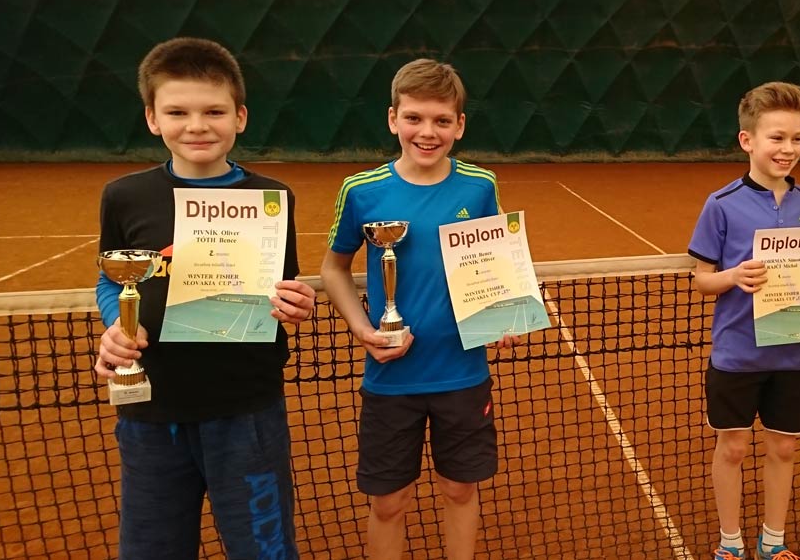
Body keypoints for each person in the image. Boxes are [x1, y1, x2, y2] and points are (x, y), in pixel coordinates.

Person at [93, 37, 317, 559]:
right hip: (152, 413)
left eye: (214, 111)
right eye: (178, 112)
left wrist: (297, 304)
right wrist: (116, 325)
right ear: (152, 118)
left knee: (264, 550)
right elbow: (110, 280)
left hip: (246, 413)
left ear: (240, 117)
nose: (197, 125)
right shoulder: (124, 196)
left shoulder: (272, 198)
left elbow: (282, 287)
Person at [320, 58, 517, 560]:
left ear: (459, 125)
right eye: (414, 118)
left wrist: (504, 313)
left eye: (441, 120)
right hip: (391, 377)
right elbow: (334, 268)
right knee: (389, 502)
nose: (427, 132)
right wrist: (364, 329)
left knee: (460, 489)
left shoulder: (480, 185)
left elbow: (496, 260)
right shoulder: (361, 190)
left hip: (462, 373)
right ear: (393, 119)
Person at [689, 81, 800, 560]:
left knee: (784, 449)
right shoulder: (721, 204)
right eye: (777, 137)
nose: (789, 148)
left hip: (792, 355)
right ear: (747, 140)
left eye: (797, 138)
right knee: (732, 449)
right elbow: (701, 279)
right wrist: (732, 276)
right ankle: (730, 544)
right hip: (736, 355)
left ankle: (773, 542)